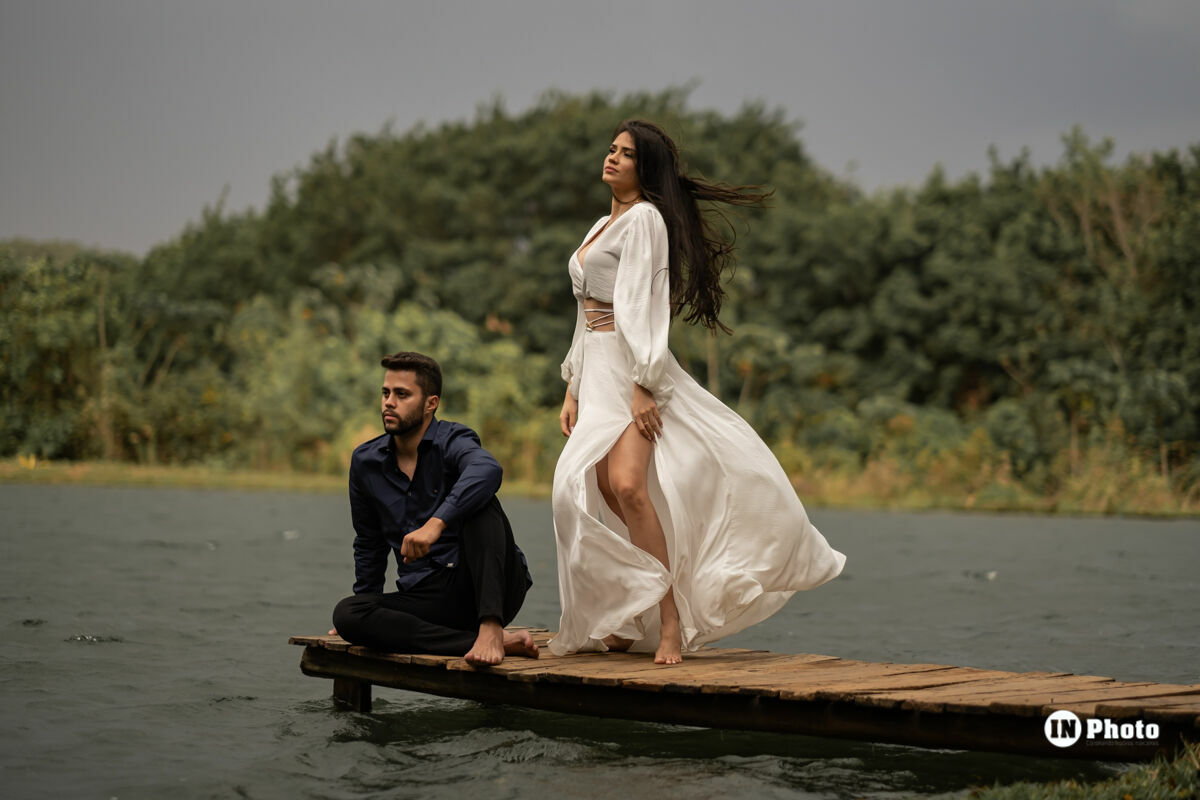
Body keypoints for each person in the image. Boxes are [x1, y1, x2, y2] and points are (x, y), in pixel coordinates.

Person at [551, 120, 846, 664]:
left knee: (628, 487)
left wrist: (645, 385)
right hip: (595, 373)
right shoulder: (600, 223)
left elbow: (647, 304)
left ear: (647, 169)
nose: (612, 159)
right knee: (598, 494)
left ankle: (668, 623)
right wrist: (572, 384)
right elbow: (583, 314)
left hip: (631, 371)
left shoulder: (644, 221)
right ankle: (623, 612)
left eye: (627, 155)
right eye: (611, 149)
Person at [331, 351, 537, 665]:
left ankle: (491, 627)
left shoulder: (452, 440)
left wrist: (436, 522)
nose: (389, 402)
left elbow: (488, 469)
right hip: (427, 596)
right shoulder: (366, 462)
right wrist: (366, 613)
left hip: (489, 589)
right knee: (348, 613)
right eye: (386, 393)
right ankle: (487, 642)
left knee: (482, 506)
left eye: (402, 394)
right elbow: (369, 543)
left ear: (431, 403)